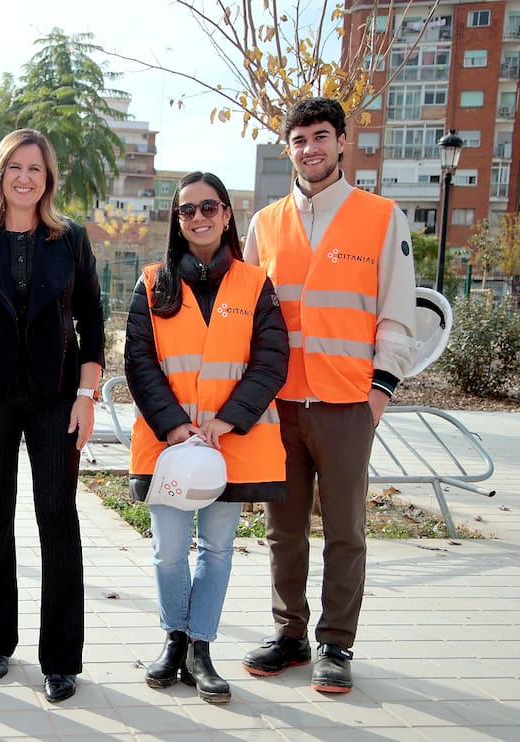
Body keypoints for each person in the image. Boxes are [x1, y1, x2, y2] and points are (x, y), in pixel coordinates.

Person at [241, 97, 416, 693]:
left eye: (320, 136)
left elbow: (397, 314)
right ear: (288, 149)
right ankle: (289, 634)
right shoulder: (265, 224)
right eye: (299, 139)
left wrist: (379, 393)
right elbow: (247, 317)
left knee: (345, 531)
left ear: (342, 142)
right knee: (282, 530)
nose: (310, 148)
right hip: (280, 406)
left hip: (348, 405)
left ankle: (336, 644)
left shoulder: (382, 217)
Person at [0, 128, 105, 703]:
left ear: (48, 178)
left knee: (58, 519)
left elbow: (92, 319)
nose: (25, 178)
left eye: (36, 168)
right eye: (15, 167)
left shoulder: (71, 238)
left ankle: (61, 659)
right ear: (0, 173)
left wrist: (86, 396)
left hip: (57, 399)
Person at [125, 172, 289, 703]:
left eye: (209, 207)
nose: (198, 217)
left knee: (217, 550)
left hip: (230, 444)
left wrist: (228, 420)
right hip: (170, 446)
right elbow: (139, 362)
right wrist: (174, 425)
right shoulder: (153, 283)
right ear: (177, 220)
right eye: (187, 210)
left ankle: (201, 649)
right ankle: (173, 639)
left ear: (226, 214)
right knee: (169, 552)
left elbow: (272, 360)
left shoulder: (255, 284)